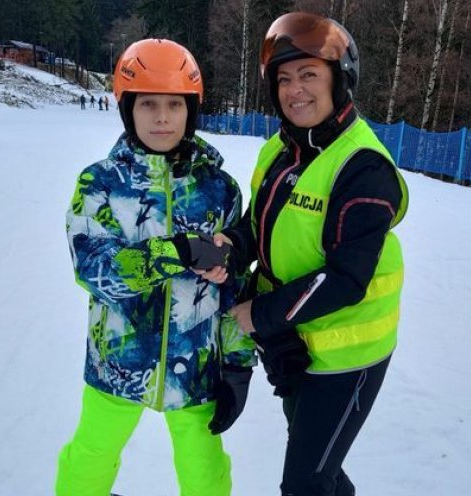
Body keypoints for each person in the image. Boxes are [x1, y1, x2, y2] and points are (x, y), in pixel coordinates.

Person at [204, 12, 409, 496]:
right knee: (321, 469)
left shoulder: (363, 167)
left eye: (309, 75)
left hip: (347, 356)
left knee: (304, 482)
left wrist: (263, 313)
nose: (295, 90)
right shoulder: (280, 149)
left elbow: (346, 277)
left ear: (340, 81)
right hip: (295, 343)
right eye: (284, 78)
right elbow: (260, 224)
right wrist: (231, 246)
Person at [56, 38, 255, 496]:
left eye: (174, 105)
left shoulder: (219, 190)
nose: (162, 117)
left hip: (196, 364)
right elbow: (94, 270)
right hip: (117, 363)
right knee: (92, 455)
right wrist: (176, 252)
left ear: (191, 111)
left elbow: (235, 287)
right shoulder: (100, 183)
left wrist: (238, 367)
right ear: (128, 109)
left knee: (203, 467)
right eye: (148, 104)